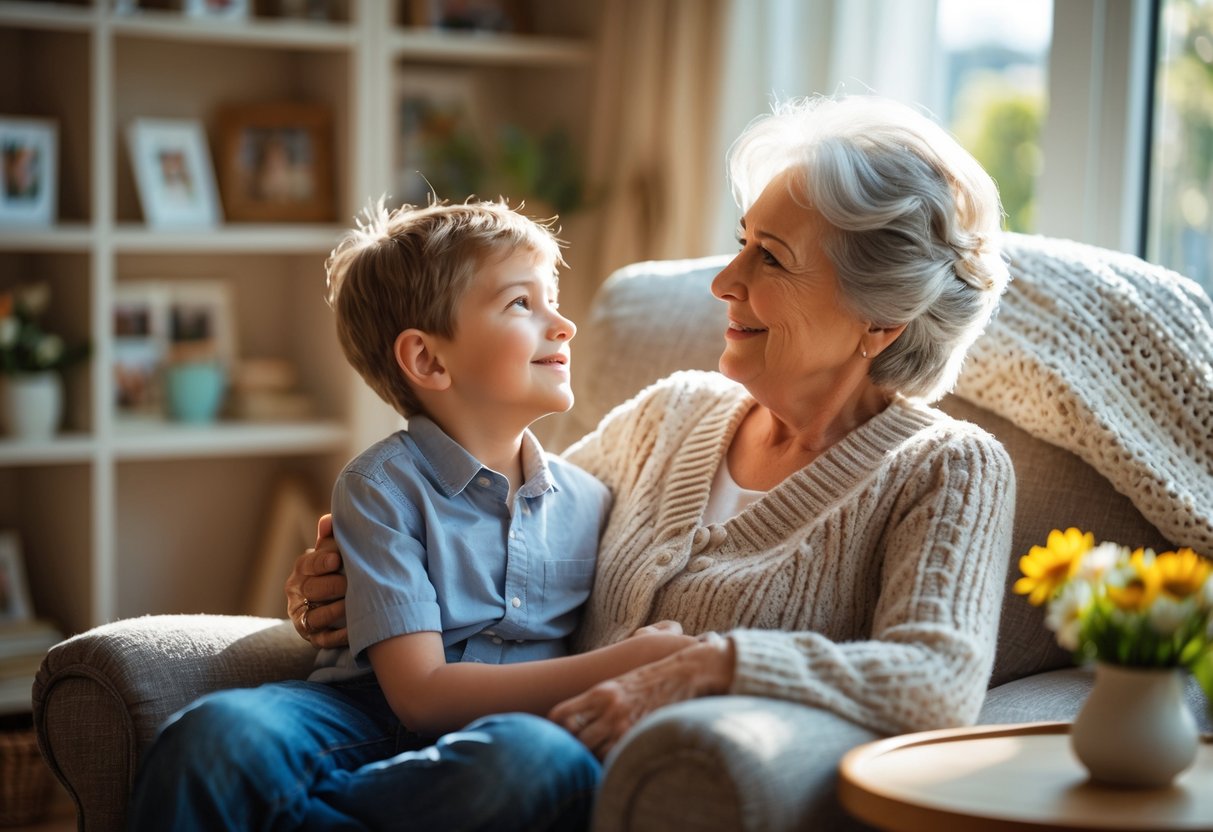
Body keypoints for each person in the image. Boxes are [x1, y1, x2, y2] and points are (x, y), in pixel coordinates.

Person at [291, 92, 1018, 777]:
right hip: (500, 763)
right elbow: (495, 532)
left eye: (769, 256)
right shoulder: (669, 416)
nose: (723, 280)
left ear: (878, 318)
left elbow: (938, 681)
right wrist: (336, 586)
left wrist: (712, 664)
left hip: (576, 778)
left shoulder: (945, 466)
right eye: (742, 243)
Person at [126, 199, 695, 831]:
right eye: (519, 304)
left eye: (552, 298)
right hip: (359, 715)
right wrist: (624, 660)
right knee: (216, 734)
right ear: (428, 360)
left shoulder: (595, 497)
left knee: (543, 763)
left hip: (502, 742)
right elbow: (420, 693)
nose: (562, 325)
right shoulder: (381, 486)